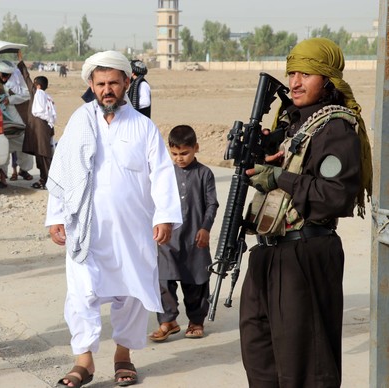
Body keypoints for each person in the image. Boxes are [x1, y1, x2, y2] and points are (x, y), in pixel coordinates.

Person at [241, 37, 373, 387]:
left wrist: (279, 178)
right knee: (261, 360)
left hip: (305, 254)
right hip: (269, 254)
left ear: (327, 80)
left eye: (307, 74)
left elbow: (336, 196)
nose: (295, 82)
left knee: (306, 367)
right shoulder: (292, 122)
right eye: (292, 73)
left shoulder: (335, 128)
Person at [46, 50, 182, 387]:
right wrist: (56, 216)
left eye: (113, 83)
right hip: (85, 230)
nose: (107, 89)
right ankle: (84, 361)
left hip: (132, 229)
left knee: (132, 294)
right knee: (81, 295)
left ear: (127, 82)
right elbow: (61, 172)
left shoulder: (144, 128)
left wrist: (164, 216)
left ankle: (123, 356)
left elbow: (163, 174)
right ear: (91, 85)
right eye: (101, 83)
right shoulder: (78, 123)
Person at [148, 125, 218, 342]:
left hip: (195, 237)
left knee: (195, 281)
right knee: (163, 279)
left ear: (196, 148)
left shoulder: (204, 173)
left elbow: (212, 204)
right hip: (168, 239)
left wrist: (205, 228)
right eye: (175, 154)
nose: (179, 158)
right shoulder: (164, 174)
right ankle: (167, 321)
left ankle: (196, 321)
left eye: (185, 153)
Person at [0, 59, 34, 184]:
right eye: (3, 75)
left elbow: (27, 94)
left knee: (24, 143)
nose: (5, 78)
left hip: (17, 116)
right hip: (0, 118)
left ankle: (24, 170)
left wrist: (11, 99)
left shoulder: (18, 80)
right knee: (2, 146)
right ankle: (2, 176)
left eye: (7, 76)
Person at [16, 49, 56, 190]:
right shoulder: (47, 96)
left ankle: (46, 181)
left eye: (33, 84)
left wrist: (21, 62)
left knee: (43, 155)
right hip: (45, 128)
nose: (31, 85)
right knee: (42, 155)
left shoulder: (37, 93)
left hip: (40, 129)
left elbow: (26, 77)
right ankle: (44, 179)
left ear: (37, 85)